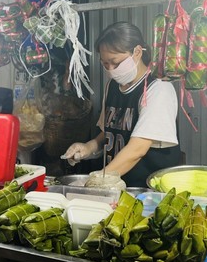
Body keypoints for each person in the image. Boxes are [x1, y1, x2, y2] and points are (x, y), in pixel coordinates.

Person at [62, 22, 181, 187]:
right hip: (117, 186)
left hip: (146, 190)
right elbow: (110, 132)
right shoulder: (111, 86)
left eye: (116, 63)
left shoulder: (158, 89)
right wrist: (88, 148)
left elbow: (137, 149)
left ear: (137, 52)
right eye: (105, 64)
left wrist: (101, 179)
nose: (111, 70)